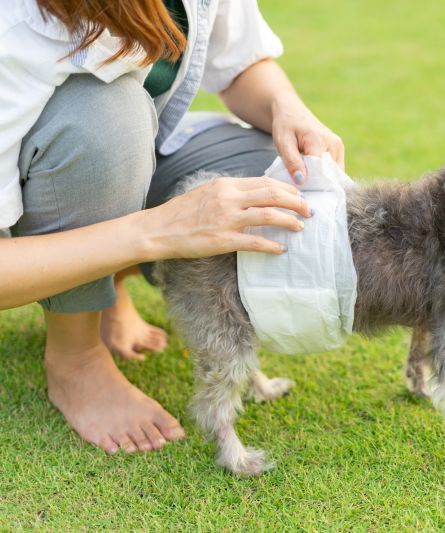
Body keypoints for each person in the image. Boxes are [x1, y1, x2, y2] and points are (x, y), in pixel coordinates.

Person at [0, 0, 344, 455]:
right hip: (45, 168)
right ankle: (75, 358)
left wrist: (287, 108)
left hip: (142, 143)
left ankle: (107, 290)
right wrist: (156, 230)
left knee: (269, 172)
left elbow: (240, 61)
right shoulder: (15, 23)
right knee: (105, 118)